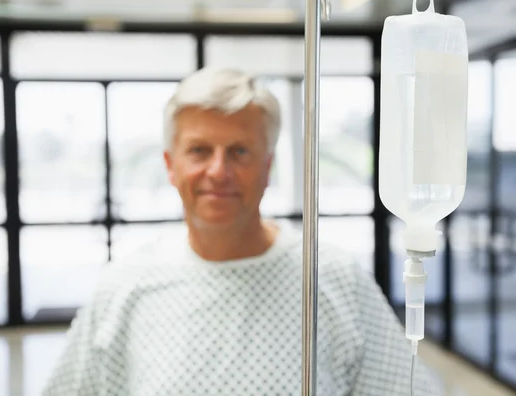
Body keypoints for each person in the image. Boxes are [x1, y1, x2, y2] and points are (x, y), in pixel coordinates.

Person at [41, 67, 441, 395]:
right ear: (170, 164)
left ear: (267, 167)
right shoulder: (124, 287)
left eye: (239, 151)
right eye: (199, 150)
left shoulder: (329, 278)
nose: (218, 171)